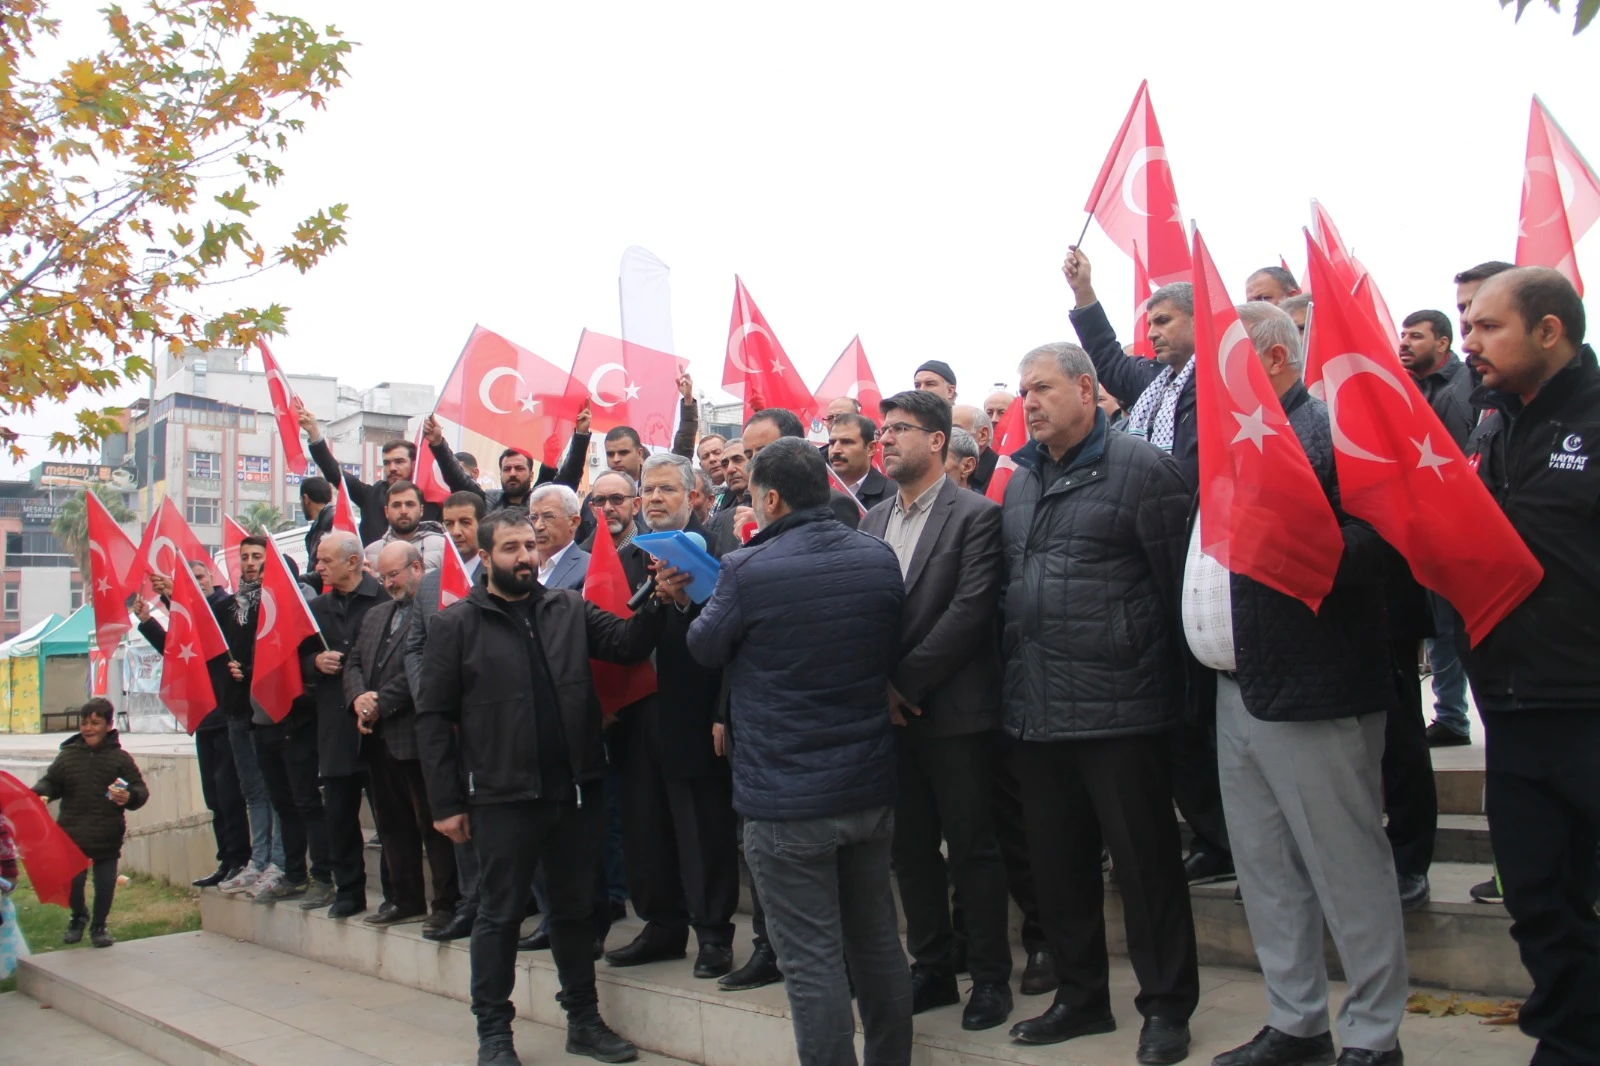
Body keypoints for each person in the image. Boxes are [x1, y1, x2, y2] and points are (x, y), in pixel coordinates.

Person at [1187, 304, 1409, 1066]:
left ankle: (1376, 1037)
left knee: (1347, 872)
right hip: (1235, 691)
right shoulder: (1223, 444)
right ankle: (1298, 1022)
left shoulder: (1330, 435)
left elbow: (1382, 549)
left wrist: (1290, 535)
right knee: (1267, 871)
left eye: (1225, 361)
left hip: (1317, 688)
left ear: (1274, 360)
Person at [999, 341, 1196, 1065]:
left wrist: (1178, 706)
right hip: (1037, 711)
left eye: (1043, 388)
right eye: (1024, 392)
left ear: (1087, 389)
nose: (1031, 403)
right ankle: (1081, 999)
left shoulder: (1143, 470)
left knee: (1146, 872)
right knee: (1058, 870)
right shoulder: (1020, 480)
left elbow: (1178, 586)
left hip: (1124, 709)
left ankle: (1167, 1007)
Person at [416, 508, 670, 1066]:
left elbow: (628, 644)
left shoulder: (568, 607)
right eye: (510, 548)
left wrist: (659, 598)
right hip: (502, 798)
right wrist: (446, 802)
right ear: (485, 558)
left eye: (530, 546)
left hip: (575, 792)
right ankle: (495, 1034)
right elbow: (433, 718)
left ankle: (583, 1021)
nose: (525, 557)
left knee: (575, 913)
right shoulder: (455, 625)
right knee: (499, 916)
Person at [687, 437, 913, 1066]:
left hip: (786, 803)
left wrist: (707, 590)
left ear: (772, 498)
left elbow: (705, 648)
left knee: (811, 962)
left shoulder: (747, 568)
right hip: (866, 786)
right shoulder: (875, 557)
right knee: (876, 945)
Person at [1460, 266, 1600, 1066]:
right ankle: (1573, 1042)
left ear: (1549, 331)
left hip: (1590, 703)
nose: (1471, 342)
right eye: (1469, 328)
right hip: (1513, 709)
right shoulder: (1489, 425)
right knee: (1541, 901)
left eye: (1487, 328)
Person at [1062, 248, 1233, 890]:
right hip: (1158, 565)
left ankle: (1230, 835)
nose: (1153, 333)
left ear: (1201, 320)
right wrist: (1084, 294)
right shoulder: (1156, 386)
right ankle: (1214, 837)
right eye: (1150, 323)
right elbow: (1106, 360)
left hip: (1206, 560)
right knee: (1180, 717)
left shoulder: (1218, 384)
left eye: (1164, 320)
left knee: (1204, 717)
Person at [864, 390, 1012, 1033]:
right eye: (884, 429)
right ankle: (931, 966)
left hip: (955, 713)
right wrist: (878, 689)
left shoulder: (975, 516)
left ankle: (990, 976)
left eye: (900, 429)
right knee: (910, 848)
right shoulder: (869, 521)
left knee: (974, 848)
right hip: (886, 718)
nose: (886, 439)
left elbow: (970, 613)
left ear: (937, 441)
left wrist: (907, 684)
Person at [603, 453, 739, 980]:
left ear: (694, 496)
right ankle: (661, 925)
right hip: (639, 714)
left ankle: (713, 936)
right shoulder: (631, 558)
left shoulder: (720, 552)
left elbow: (729, 636)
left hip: (696, 710)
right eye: (649, 490)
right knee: (645, 825)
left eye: (667, 490)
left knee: (702, 827)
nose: (656, 498)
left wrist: (682, 601)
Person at [346, 542, 459, 930]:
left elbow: (424, 665)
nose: (388, 582)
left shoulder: (431, 610)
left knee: (433, 824)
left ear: (416, 568)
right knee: (392, 824)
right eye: (382, 575)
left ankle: (446, 902)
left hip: (415, 734)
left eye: (394, 574)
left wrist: (381, 702)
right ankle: (405, 898)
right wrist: (359, 699)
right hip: (377, 738)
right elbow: (355, 662)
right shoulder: (377, 614)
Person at [134, 564, 250, 891]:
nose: (196, 585)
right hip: (204, 718)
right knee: (213, 797)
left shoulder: (226, 606)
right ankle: (226, 859)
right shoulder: (189, 613)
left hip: (227, 714)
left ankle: (240, 858)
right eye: (191, 581)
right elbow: (176, 650)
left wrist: (175, 596)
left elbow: (206, 622)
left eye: (198, 579)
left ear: (212, 579)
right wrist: (148, 621)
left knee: (230, 794)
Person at [404, 490, 485, 943]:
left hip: (488, 722)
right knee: (457, 816)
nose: (456, 532)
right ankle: (471, 902)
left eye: (465, 523)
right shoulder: (431, 584)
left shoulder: (496, 574)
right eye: (449, 523)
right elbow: (416, 645)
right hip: (445, 725)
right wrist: (430, 697)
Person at [305, 532, 387, 919]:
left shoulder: (383, 599)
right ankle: (349, 892)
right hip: (334, 726)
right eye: (318, 561)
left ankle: (397, 893)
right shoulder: (316, 608)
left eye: (326, 561)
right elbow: (297, 657)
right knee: (339, 816)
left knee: (390, 819)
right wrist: (315, 663)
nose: (318, 567)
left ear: (353, 562)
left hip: (381, 725)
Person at [32, 699, 149, 948]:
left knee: (105, 885)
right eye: (84, 723)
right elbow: (51, 781)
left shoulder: (120, 759)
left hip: (107, 834)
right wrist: (41, 793)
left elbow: (140, 790)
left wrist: (130, 796)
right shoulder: (68, 756)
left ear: (108, 725)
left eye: (95, 723)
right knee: (73, 884)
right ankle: (78, 916)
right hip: (71, 833)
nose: (88, 728)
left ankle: (99, 926)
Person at [213, 536, 286, 899]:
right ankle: (256, 861)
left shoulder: (274, 601)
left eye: (257, 556)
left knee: (273, 790)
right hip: (237, 708)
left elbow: (278, 652)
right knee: (251, 791)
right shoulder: (230, 606)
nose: (251, 563)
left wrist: (252, 668)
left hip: (267, 709)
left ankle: (278, 861)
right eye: (244, 557)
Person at [705, 409, 862, 555]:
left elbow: (833, 568)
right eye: (748, 454)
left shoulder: (834, 504)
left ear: (795, 447)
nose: (754, 462)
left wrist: (766, 527)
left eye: (763, 451)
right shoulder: (733, 515)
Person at [425, 411, 591, 514]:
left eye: (519, 468)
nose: (512, 473)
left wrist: (581, 437)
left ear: (531, 475)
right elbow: (457, 479)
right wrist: (438, 444)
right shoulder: (486, 501)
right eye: (507, 469)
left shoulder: (544, 500)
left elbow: (571, 475)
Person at [362, 481, 449, 573]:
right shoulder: (370, 553)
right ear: (386, 512)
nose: (403, 511)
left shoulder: (443, 547)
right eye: (396, 505)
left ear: (421, 510)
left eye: (410, 504)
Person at [828, 413, 894, 510]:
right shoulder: (815, 493)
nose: (835, 450)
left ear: (871, 448)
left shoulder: (894, 495)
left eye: (846, 442)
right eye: (832, 443)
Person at [530, 484, 589, 590]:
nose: (538, 526)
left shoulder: (590, 568)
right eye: (533, 517)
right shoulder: (523, 565)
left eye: (548, 516)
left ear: (573, 522)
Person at [951, 405, 998, 493]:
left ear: (982, 435)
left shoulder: (1001, 474)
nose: (946, 438)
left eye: (956, 431)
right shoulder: (945, 469)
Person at [299, 476, 335, 591]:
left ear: (306, 499)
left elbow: (325, 569)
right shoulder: (324, 522)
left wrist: (293, 579)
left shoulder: (329, 522)